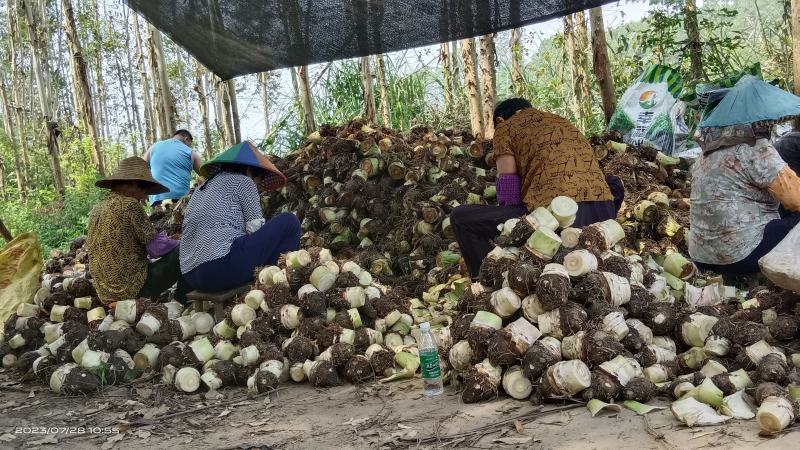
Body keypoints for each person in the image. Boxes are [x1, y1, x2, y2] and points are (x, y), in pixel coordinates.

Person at [450, 98, 624, 278]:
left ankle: (487, 279)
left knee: (460, 217)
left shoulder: (505, 127)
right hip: (602, 213)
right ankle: (605, 238)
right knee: (613, 183)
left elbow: (509, 188)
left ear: (500, 120)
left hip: (555, 219)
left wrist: (509, 233)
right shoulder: (561, 121)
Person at [179, 141, 300, 292]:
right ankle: (279, 282)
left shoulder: (200, 190)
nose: (257, 187)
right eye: (259, 181)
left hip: (190, 275)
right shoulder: (243, 181)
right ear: (250, 170)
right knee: (289, 221)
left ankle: (269, 276)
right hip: (219, 268)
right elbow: (255, 228)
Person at [88, 157, 190, 304]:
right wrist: (181, 242)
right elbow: (156, 248)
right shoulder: (129, 205)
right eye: (145, 190)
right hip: (130, 289)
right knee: (186, 250)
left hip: (105, 293)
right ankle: (180, 301)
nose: (144, 197)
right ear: (136, 184)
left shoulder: (97, 208)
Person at [143, 129, 203, 206]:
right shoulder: (190, 152)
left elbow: (140, 165)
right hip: (181, 200)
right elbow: (205, 173)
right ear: (186, 138)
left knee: (159, 218)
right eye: (189, 144)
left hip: (157, 198)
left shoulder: (153, 147)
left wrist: (143, 190)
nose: (189, 147)